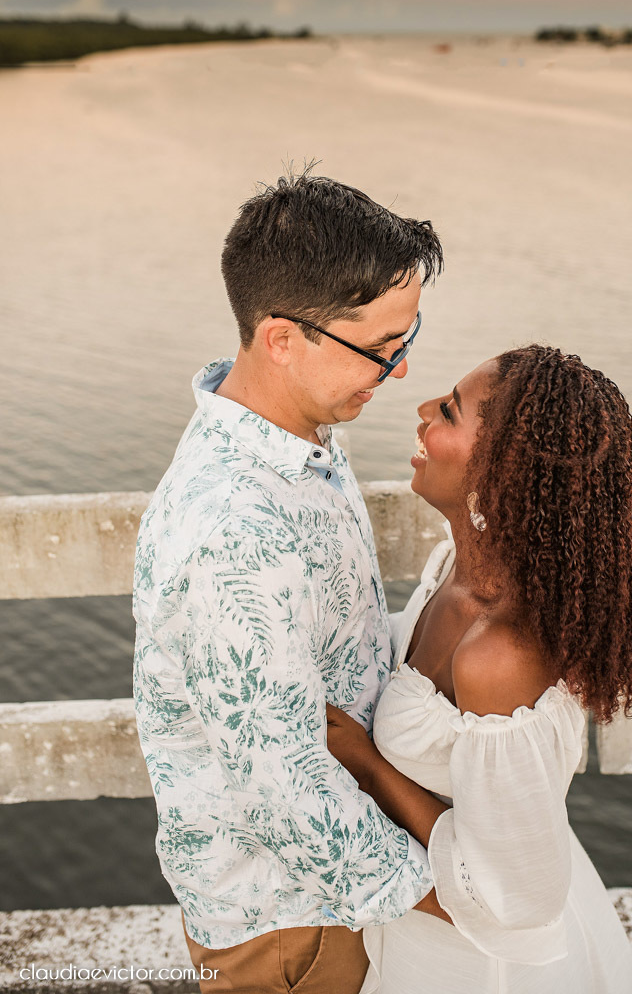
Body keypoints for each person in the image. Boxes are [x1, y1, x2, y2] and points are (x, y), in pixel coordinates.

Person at [132, 170, 446, 994]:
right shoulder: (237, 529)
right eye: (380, 348)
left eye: (405, 338)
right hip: (292, 923)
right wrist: (453, 896)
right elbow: (282, 791)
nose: (399, 370)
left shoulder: (294, 437)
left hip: (328, 895)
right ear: (280, 339)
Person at [326, 344, 632, 993]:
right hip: (415, 926)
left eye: (450, 411)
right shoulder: (456, 567)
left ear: (501, 471)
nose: (423, 410)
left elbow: (517, 899)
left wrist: (365, 764)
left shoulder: (498, 654)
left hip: (479, 966)